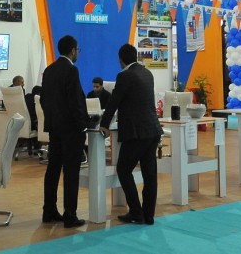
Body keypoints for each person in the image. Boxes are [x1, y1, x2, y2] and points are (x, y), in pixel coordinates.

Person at [99, 44, 163, 226]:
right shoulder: (147, 73)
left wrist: (104, 125)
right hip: (153, 131)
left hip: (136, 133)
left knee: (123, 170)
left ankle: (135, 211)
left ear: (121, 60)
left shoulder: (124, 76)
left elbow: (114, 102)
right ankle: (148, 215)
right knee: (150, 175)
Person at [40, 35, 93, 228]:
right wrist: (83, 124)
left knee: (53, 169)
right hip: (71, 130)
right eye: (77, 50)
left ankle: (49, 211)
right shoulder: (71, 70)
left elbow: (43, 100)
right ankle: (70, 215)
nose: (77, 53)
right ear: (72, 50)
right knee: (71, 172)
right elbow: (75, 102)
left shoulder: (49, 70)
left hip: (54, 128)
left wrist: (52, 119)